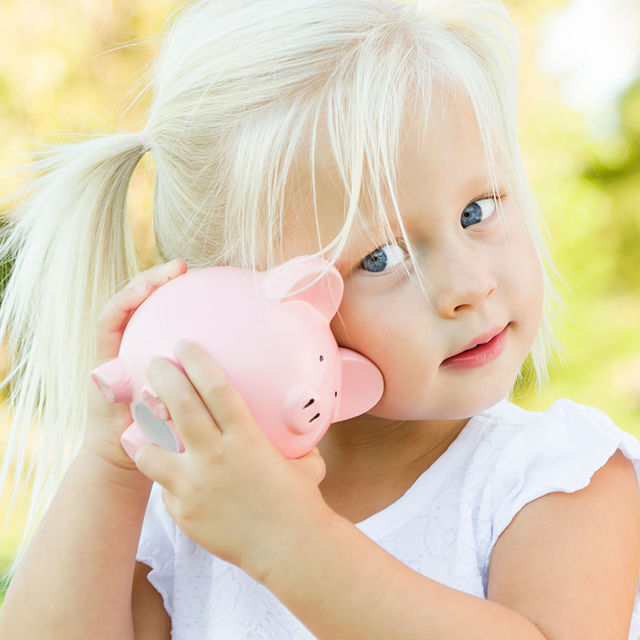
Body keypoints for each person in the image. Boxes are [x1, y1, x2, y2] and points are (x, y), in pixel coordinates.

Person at [0, 0, 639, 638]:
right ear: (233, 298)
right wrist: (111, 466)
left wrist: (289, 542)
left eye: (476, 210)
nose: (470, 286)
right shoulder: (193, 518)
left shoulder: (556, 478)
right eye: (380, 258)